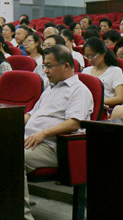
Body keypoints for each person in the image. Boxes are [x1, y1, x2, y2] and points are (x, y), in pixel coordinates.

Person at [23, 45, 93, 220]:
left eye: (49, 66)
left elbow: (74, 123)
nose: (45, 71)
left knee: (11, 158)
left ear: (66, 66)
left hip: (53, 146)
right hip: (31, 141)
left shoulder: (79, 91)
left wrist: (43, 133)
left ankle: (23, 215)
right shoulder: (51, 88)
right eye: (44, 66)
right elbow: (31, 114)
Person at [82, 37, 123, 109]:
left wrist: (96, 102)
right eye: (87, 56)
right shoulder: (86, 71)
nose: (90, 60)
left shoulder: (115, 71)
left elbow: (120, 98)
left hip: (105, 108)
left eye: (93, 56)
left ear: (103, 53)